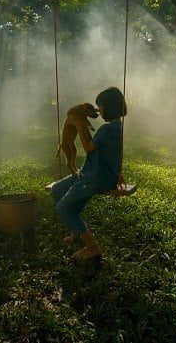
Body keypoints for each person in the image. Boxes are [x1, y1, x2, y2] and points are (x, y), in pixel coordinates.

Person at [49, 86, 126, 260]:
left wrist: (77, 123)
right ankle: (76, 228)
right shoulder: (116, 127)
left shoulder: (108, 129)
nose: (99, 110)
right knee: (57, 190)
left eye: (101, 106)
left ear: (109, 107)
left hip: (96, 178)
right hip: (91, 173)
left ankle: (92, 248)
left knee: (63, 207)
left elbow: (89, 147)